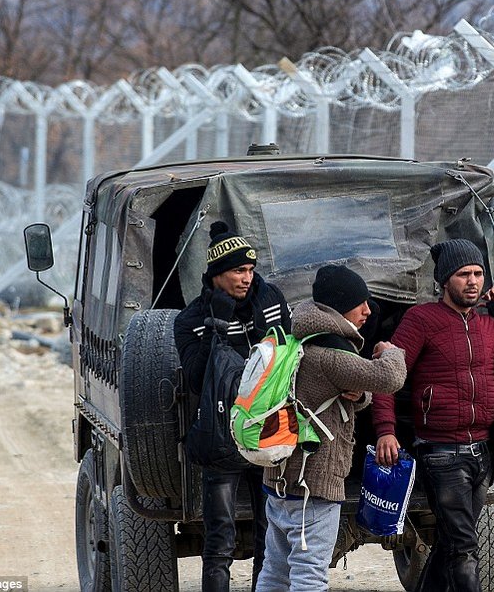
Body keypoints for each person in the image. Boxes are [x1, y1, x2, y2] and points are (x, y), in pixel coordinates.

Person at [372, 238, 494, 592]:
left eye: (479, 273)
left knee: (451, 543)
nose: (473, 281)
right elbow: (387, 377)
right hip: (441, 454)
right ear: (444, 281)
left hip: (483, 451)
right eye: (464, 274)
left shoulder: (487, 325)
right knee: (465, 548)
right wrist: (385, 430)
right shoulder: (421, 320)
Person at [257, 264, 407, 592]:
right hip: (314, 486)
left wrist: (360, 396)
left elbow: (330, 398)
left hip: (280, 480)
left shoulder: (298, 341)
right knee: (310, 574)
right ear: (339, 306)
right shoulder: (332, 356)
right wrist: (392, 352)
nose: (368, 310)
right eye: (360, 303)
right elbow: (390, 378)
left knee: (275, 570)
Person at [174, 220, 291, 592]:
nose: (246, 278)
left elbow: (288, 359)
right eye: (238, 271)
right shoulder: (191, 320)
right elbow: (195, 378)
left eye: (250, 270)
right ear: (216, 276)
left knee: (269, 536)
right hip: (221, 438)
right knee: (219, 540)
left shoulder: (270, 300)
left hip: (267, 433)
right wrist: (218, 328)